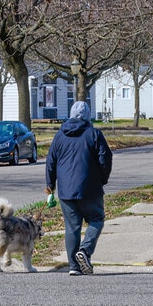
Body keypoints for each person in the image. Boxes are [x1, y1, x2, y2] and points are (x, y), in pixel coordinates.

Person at [45, 101, 112, 275]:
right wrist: (102, 179)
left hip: (66, 190)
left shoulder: (60, 135)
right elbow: (106, 158)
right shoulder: (94, 134)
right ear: (88, 115)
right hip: (90, 188)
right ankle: (85, 250)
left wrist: (50, 185)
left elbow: (51, 161)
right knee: (96, 219)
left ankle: (74, 267)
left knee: (72, 227)